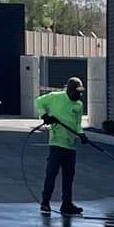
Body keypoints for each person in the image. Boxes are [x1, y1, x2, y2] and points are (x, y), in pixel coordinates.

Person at [34, 73, 86, 215]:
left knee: (69, 176)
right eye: (77, 92)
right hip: (56, 143)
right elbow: (38, 101)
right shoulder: (56, 97)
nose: (79, 96)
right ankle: (45, 202)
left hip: (70, 145)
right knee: (52, 173)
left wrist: (81, 134)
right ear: (69, 90)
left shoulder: (78, 105)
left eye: (81, 93)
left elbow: (77, 124)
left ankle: (67, 204)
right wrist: (45, 115)